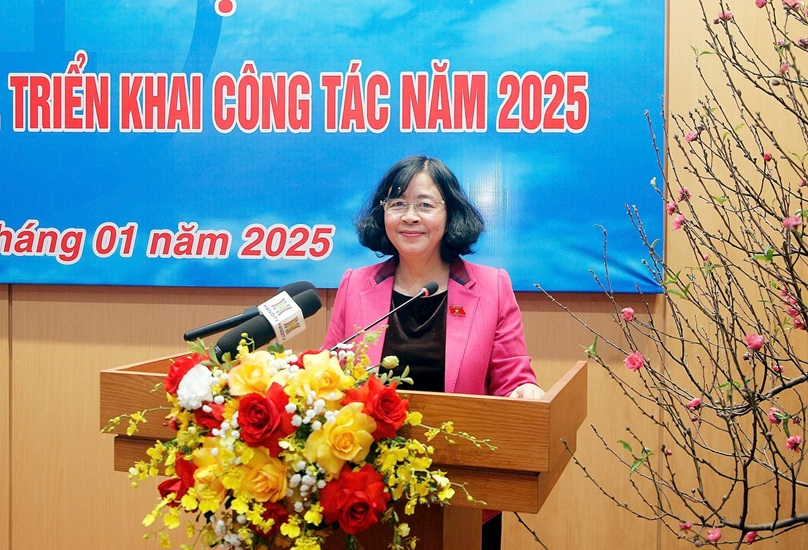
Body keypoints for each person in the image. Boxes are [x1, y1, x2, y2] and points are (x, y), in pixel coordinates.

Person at [322, 155, 544, 547]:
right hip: (369, 492)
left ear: (449, 213)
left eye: (425, 204)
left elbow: (513, 375)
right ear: (383, 213)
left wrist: (524, 391)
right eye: (397, 204)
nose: (410, 216)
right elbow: (329, 374)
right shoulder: (356, 285)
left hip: (462, 490)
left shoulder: (491, 287)